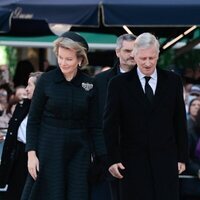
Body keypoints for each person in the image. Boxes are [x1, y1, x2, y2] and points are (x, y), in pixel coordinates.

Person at [21, 32, 106, 200]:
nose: (63, 63)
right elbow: (34, 120)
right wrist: (31, 155)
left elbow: (95, 125)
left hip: (79, 154)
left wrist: (103, 157)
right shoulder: (46, 80)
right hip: (48, 151)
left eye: (69, 59)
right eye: (60, 57)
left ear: (80, 60)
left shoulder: (90, 84)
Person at [103, 32, 188, 200]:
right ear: (134, 55)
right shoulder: (118, 84)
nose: (148, 63)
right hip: (131, 162)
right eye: (143, 58)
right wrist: (112, 159)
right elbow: (110, 124)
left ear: (157, 55)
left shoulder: (173, 81)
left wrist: (182, 157)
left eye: (152, 58)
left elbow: (179, 121)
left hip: (166, 160)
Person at [94, 33, 136, 200]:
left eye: (134, 50)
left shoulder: (150, 80)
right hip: (105, 158)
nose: (131, 55)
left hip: (138, 157)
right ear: (117, 52)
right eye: (127, 51)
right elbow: (95, 120)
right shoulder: (100, 81)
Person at [0, 72, 43, 200]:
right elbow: (15, 131)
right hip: (17, 155)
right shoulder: (23, 105)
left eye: (30, 85)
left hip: (35, 158)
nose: (26, 89)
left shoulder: (47, 110)